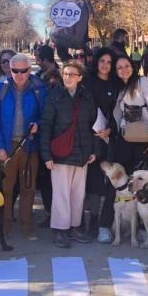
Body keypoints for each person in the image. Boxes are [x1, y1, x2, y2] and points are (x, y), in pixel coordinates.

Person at [40, 61, 97, 248]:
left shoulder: (87, 96)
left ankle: (74, 227)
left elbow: (93, 125)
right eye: (65, 74)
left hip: (82, 153)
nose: (68, 77)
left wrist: (93, 150)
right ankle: (60, 229)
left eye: (72, 74)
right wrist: (47, 156)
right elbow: (46, 126)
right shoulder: (54, 96)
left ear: (80, 77)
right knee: (61, 194)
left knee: (77, 194)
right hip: (60, 153)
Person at [0, 53, 46, 241]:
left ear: (30, 70)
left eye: (23, 70)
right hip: (7, 146)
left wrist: (38, 124)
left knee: (28, 188)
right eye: (15, 70)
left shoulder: (39, 88)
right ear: (10, 70)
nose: (19, 74)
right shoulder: (0, 90)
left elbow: (45, 115)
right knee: (5, 189)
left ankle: (26, 227)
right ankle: (3, 228)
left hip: (30, 146)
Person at [82, 47, 121, 242]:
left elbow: (120, 112)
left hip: (111, 138)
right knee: (95, 182)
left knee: (111, 183)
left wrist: (111, 130)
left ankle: (107, 223)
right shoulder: (87, 82)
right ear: (96, 62)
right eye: (102, 61)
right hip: (91, 138)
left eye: (109, 62)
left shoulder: (117, 84)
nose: (105, 65)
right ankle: (93, 223)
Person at [111, 54, 148, 175]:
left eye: (127, 66)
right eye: (119, 67)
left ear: (133, 67)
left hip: (144, 138)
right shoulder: (119, 87)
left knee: (142, 177)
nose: (124, 70)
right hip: (125, 138)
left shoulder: (143, 82)